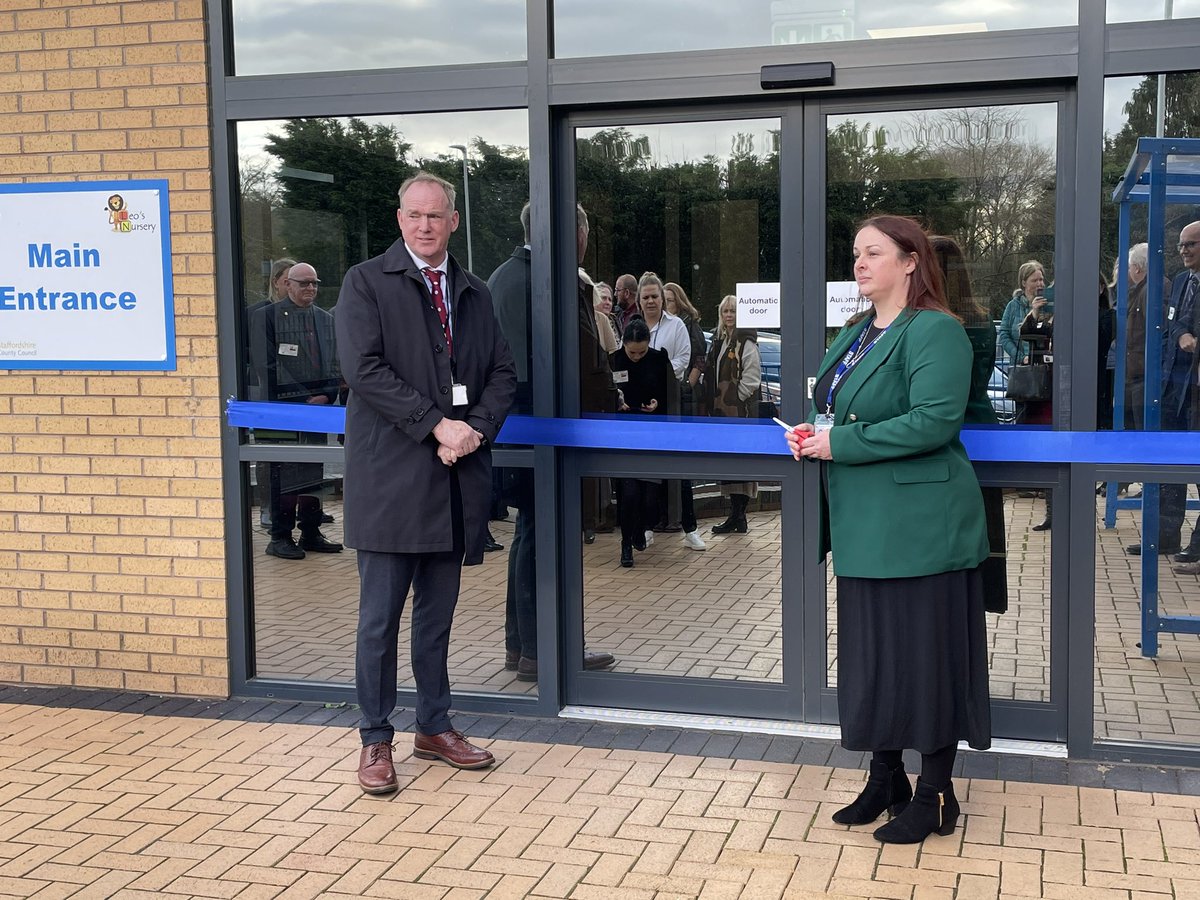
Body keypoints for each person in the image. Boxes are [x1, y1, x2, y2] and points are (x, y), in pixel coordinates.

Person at [786, 215, 990, 845]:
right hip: (863, 524)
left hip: (923, 529)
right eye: (855, 254)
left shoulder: (936, 331)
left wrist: (837, 442)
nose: (859, 263)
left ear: (910, 262)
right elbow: (835, 409)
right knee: (876, 659)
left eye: (873, 253)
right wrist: (813, 435)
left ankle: (934, 795)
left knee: (925, 661)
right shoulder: (852, 334)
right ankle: (886, 778)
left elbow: (934, 422)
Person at [335, 172, 516, 794]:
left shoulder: (473, 291)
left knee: (437, 620)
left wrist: (474, 432)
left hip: (453, 485)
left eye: (436, 216)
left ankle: (434, 726)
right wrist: (437, 424)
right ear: (399, 218)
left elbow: (500, 372)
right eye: (414, 215)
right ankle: (374, 738)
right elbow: (364, 370)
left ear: (453, 221)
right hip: (391, 483)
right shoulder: (365, 283)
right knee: (379, 622)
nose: (425, 225)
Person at [487, 201, 615, 681]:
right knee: (547, 538)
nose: (583, 242)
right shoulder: (557, 281)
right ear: (572, 235)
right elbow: (583, 356)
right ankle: (548, 649)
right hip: (550, 425)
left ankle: (522, 647)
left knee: (529, 535)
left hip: (514, 427)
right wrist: (611, 398)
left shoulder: (500, 276)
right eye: (582, 232)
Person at [930, 235, 1007, 612]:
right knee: (984, 538)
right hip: (983, 428)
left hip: (949, 435)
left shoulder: (933, 326)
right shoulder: (979, 319)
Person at [250, 262, 344, 560]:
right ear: (286, 285)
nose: (310, 288)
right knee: (283, 472)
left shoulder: (325, 319)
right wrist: (305, 398)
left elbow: (335, 362)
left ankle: (311, 530)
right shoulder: (265, 317)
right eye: (304, 283)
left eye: (315, 283)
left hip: (317, 409)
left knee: (311, 470)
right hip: (281, 409)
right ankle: (279, 535)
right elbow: (267, 365)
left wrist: (327, 395)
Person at [1130, 221, 1200, 560]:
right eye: (1181, 245)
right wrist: (1182, 335)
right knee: (1170, 465)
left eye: (1191, 244)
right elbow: (1174, 324)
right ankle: (1165, 537)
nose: (1184, 250)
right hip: (1175, 387)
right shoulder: (1184, 281)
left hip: (1198, 390)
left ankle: (1198, 545)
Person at [610, 318, 678, 567]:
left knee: (650, 496)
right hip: (624, 435)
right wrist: (617, 403)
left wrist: (658, 404)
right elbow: (603, 394)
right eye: (632, 352)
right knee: (628, 493)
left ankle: (641, 527)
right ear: (624, 346)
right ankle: (626, 544)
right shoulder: (614, 360)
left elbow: (671, 394)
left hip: (652, 434)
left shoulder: (659, 360)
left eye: (641, 351)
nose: (636, 357)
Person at [702, 294, 762, 535]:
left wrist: (736, 399)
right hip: (722, 414)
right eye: (725, 311)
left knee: (743, 465)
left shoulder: (745, 342)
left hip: (740, 414)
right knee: (730, 466)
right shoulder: (721, 341)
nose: (728, 316)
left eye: (733, 311)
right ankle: (736, 516)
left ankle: (738, 515)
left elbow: (752, 378)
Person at [662, 281, 706, 551]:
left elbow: (699, 360)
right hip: (664, 399)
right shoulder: (660, 325)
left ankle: (690, 527)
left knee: (682, 463)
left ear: (678, 300)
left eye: (668, 299)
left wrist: (686, 386)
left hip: (683, 398)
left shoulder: (689, 325)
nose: (665, 304)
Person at [1018, 291, 1054, 530]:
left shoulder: (1068, 318)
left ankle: (1057, 511)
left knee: (1053, 451)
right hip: (1039, 392)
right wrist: (1034, 313)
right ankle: (1052, 511)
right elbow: (1026, 335)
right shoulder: (1044, 318)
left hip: (1054, 392)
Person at [998, 260, 1046, 369]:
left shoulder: (1047, 306)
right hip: (1020, 369)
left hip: (1043, 366)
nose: (1040, 284)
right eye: (1034, 280)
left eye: (1041, 279)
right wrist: (1021, 357)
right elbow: (1004, 336)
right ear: (1024, 283)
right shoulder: (1013, 306)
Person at [594, 281, 622, 349]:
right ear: (594, 299)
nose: (608, 303)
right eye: (603, 298)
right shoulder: (590, 322)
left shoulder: (616, 321)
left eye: (610, 300)